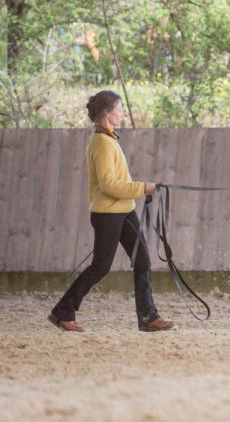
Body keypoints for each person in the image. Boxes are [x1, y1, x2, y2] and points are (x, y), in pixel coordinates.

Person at [48, 90, 176, 332]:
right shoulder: (102, 143)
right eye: (119, 108)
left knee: (143, 261)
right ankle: (62, 311)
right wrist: (144, 188)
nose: (122, 113)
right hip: (108, 214)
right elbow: (109, 185)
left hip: (124, 211)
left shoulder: (109, 139)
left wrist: (143, 190)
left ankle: (148, 318)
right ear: (108, 113)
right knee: (100, 267)